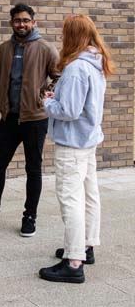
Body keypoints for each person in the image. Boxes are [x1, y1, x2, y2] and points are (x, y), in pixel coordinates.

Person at [0, 3, 60, 237]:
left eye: (26, 20)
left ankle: (30, 217)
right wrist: (0, 100)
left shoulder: (46, 49)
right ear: (11, 23)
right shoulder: (4, 48)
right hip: (9, 118)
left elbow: (59, 78)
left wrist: (43, 95)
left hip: (35, 119)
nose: (22, 24)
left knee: (33, 169)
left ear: (34, 22)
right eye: (17, 20)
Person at [39, 15, 114, 283]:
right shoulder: (96, 63)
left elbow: (68, 111)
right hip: (88, 141)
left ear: (73, 36)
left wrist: (48, 102)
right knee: (89, 194)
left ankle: (73, 262)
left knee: (71, 199)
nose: (62, 37)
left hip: (72, 144)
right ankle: (86, 246)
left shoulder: (76, 68)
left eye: (65, 33)